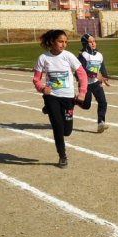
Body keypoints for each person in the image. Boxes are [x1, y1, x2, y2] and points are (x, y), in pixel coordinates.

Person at [33, 30, 87, 167]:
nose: (64, 45)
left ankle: (49, 109)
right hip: (52, 96)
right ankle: (62, 156)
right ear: (52, 42)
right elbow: (36, 79)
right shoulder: (43, 58)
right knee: (57, 127)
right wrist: (41, 88)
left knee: (66, 131)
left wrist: (82, 92)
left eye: (65, 42)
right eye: (60, 41)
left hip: (68, 97)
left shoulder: (68, 56)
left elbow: (82, 74)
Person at [77, 34, 110, 133]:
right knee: (87, 105)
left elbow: (102, 67)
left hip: (95, 83)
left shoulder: (99, 55)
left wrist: (105, 77)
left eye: (94, 41)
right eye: (90, 42)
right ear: (85, 44)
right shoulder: (83, 55)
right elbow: (82, 71)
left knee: (103, 102)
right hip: (85, 83)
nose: (93, 43)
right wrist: (96, 75)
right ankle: (75, 101)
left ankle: (101, 123)